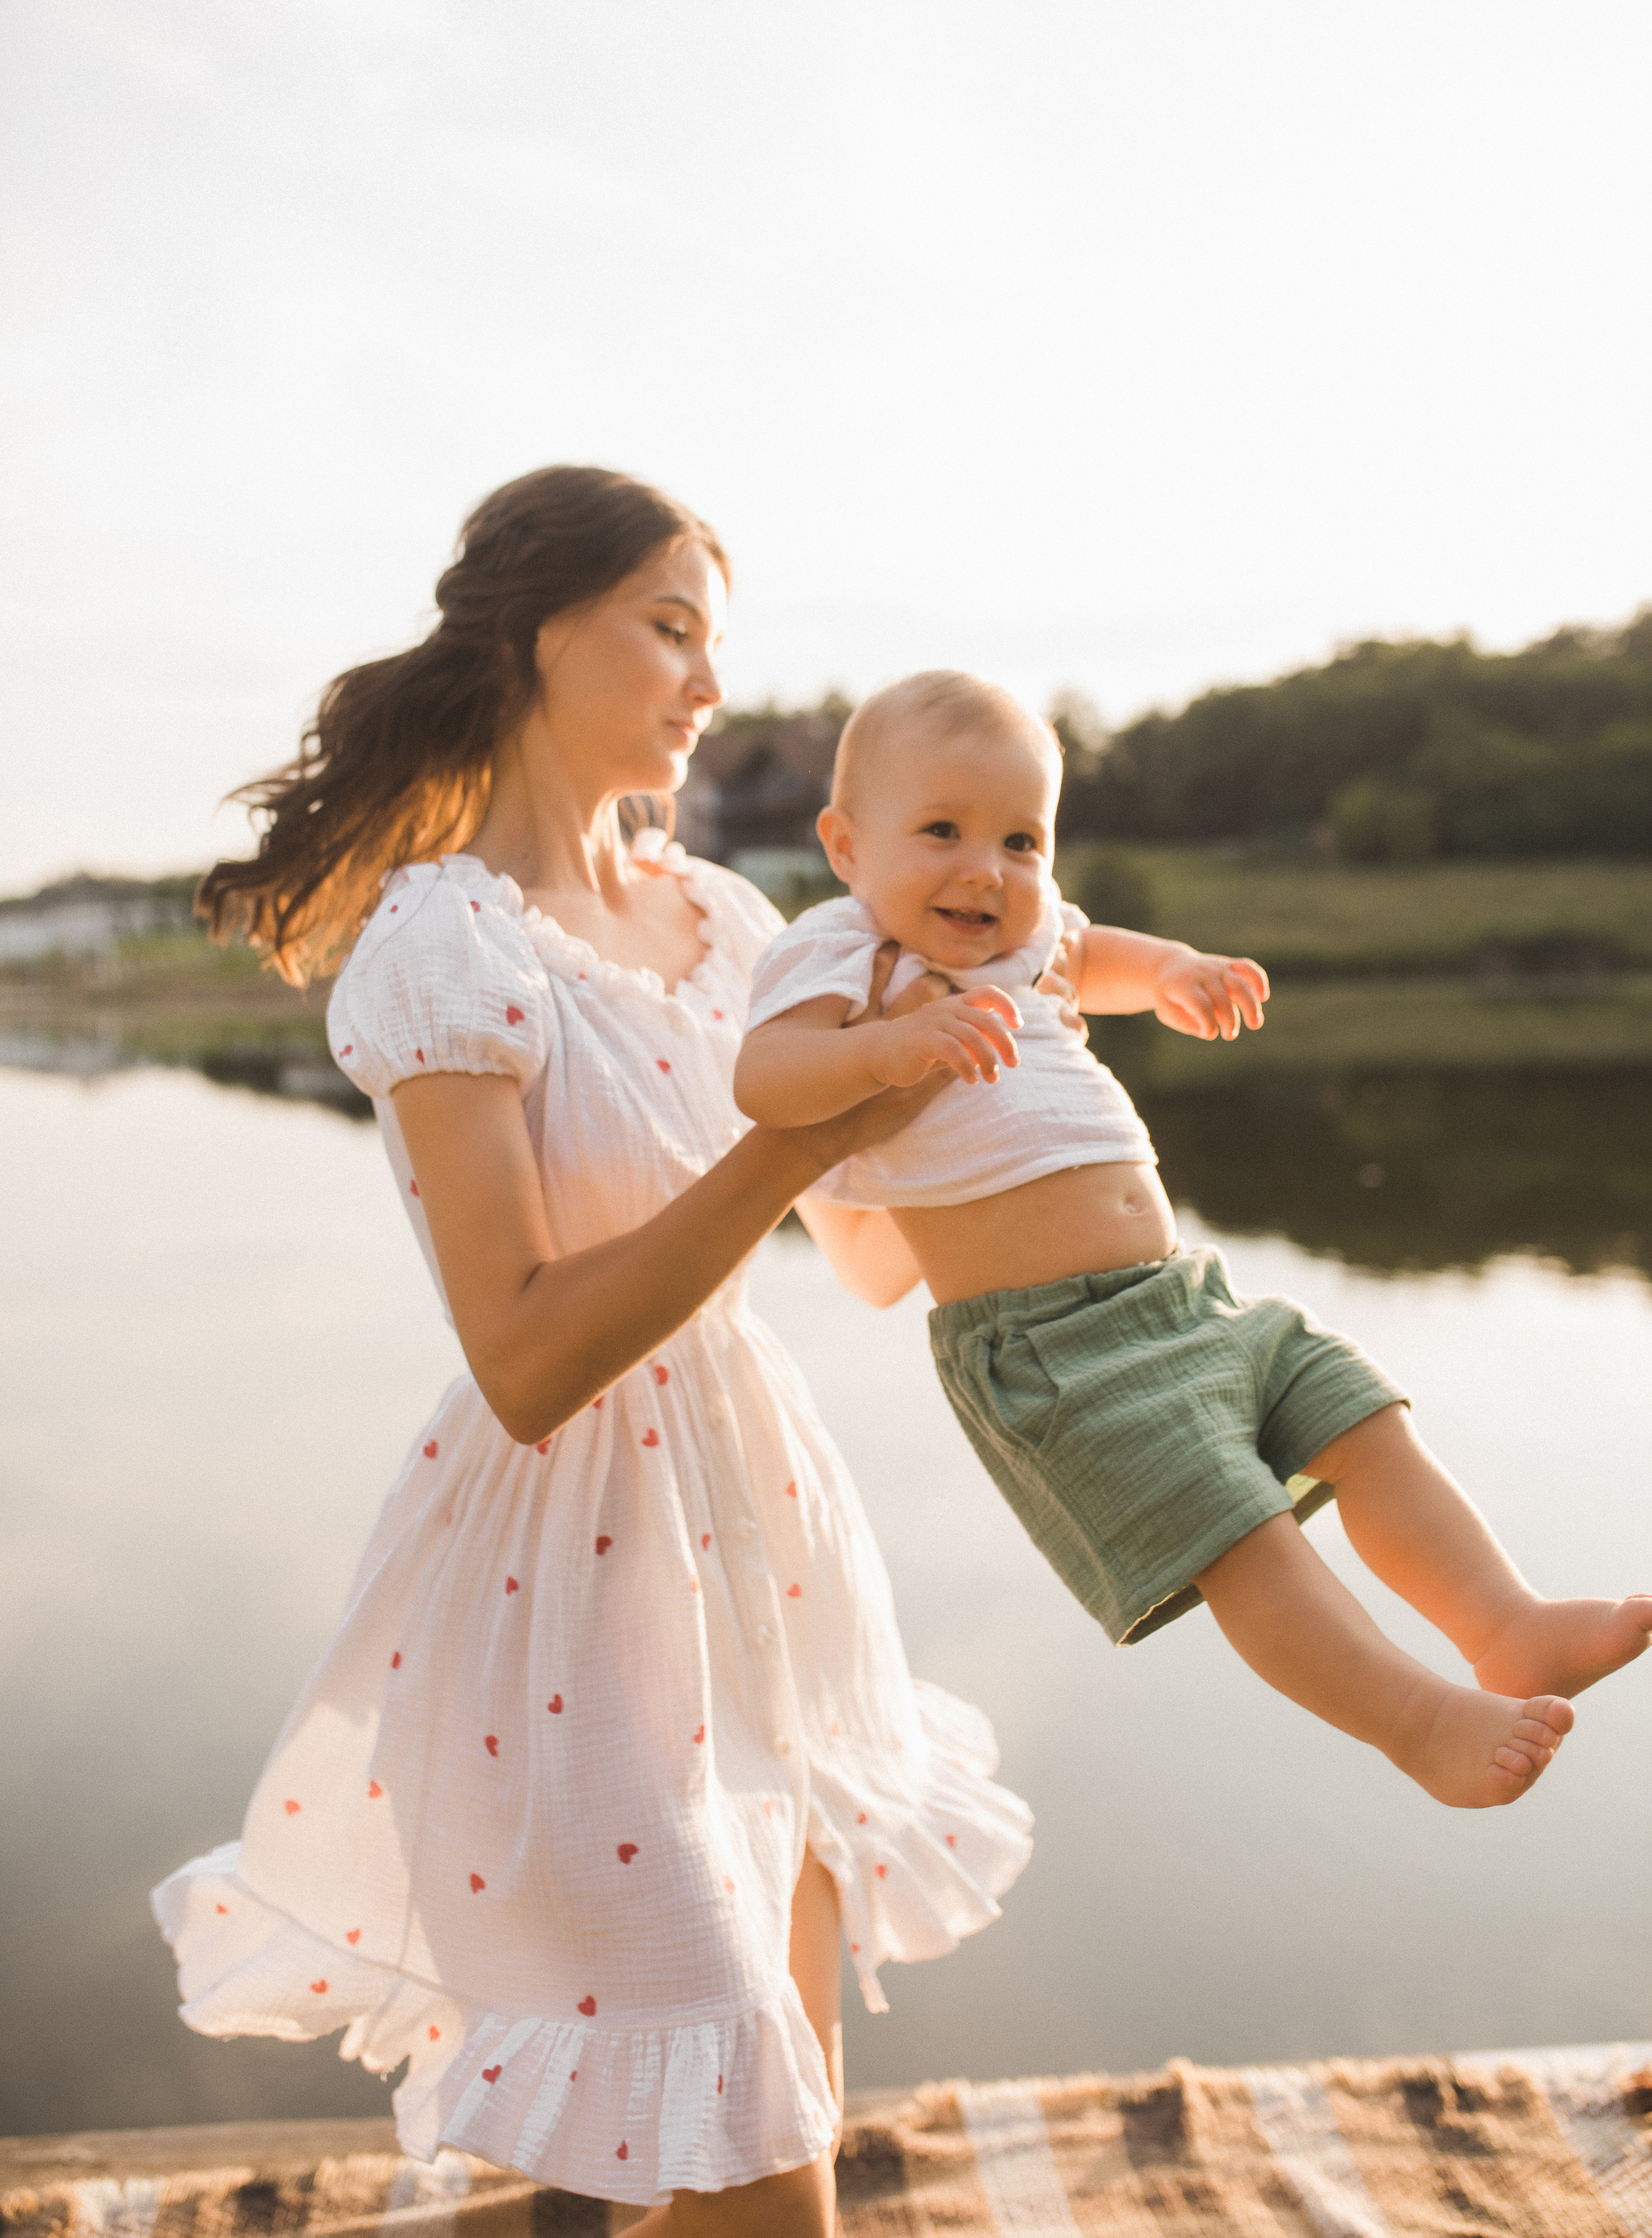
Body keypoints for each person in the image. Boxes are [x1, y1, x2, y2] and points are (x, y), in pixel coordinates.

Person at [151, 476, 1032, 2238]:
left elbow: (858, 1253)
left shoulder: (719, 914)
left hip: (759, 1529)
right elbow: (529, 1354)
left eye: (717, 637)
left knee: (771, 2101)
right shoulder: (441, 946)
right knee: (758, 2167)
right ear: (540, 631)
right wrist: (791, 1146)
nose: (709, 682)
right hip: (573, 1570)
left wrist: (1012, 1128)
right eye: (672, 627)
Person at [734, 669, 1652, 1811]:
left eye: (1023, 840)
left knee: (1360, 1417)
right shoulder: (847, 956)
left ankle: (1505, 1623)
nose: (987, 868)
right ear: (842, 844)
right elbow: (765, 1078)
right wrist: (881, 1054)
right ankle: (1415, 1722)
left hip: (1182, 1297)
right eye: (942, 830)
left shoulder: (1028, 947)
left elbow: (1093, 950)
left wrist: (1172, 973)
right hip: (1053, 1350)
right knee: (1241, 1534)